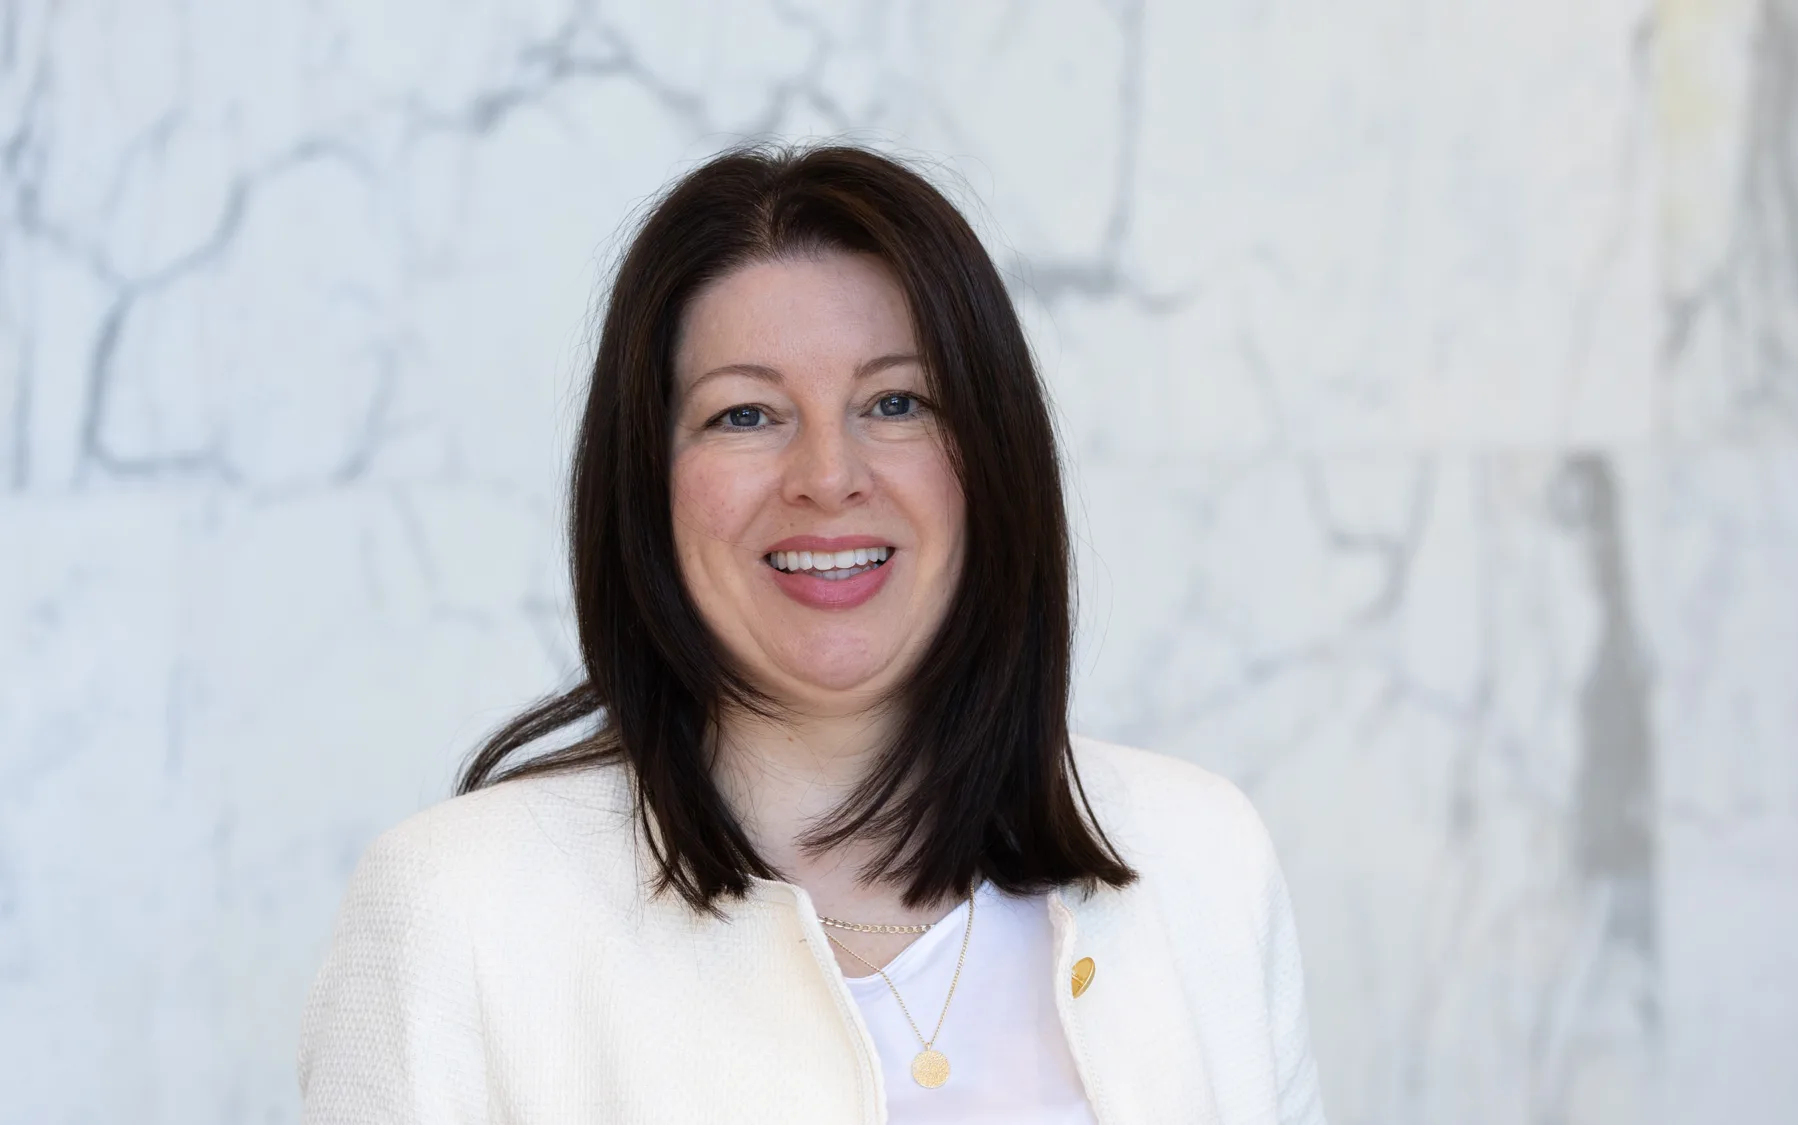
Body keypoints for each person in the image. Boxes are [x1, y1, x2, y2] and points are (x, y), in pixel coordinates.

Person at [298, 143, 1324, 1125]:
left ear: (991, 462)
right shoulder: (459, 912)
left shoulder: (1199, 858)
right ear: (647, 486)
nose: (828, 476)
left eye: (895, 401)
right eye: (745, 415)